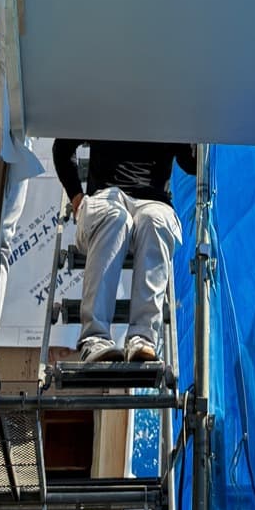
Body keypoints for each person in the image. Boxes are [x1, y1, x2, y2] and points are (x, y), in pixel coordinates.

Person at [53, 139, 197, 365]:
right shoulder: (100, 111)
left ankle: (144, 338)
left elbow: (192, 163)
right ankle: (94, 339)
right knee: (116, 218)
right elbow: (62, 146)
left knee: (155, 221)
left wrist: (200, 134)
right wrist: (76, 196)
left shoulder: (171, 117)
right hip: (105, 197)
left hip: (153, 202)